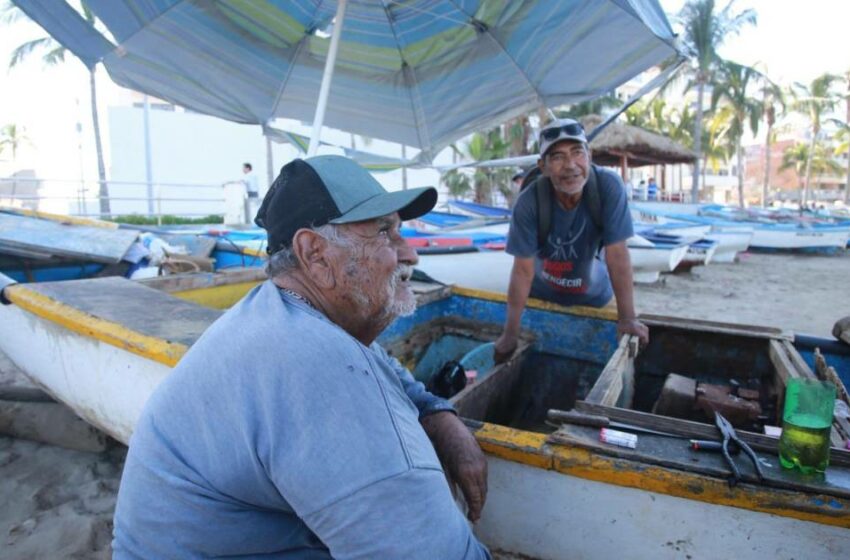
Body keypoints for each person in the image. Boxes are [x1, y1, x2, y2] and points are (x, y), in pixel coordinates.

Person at [113, 156, 491, 559]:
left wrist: (439, 416)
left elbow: (386, 367)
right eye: (384, 232)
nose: (410, 254)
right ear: (314, 254)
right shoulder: (317, 366)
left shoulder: (282, 316)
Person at [494, 119, 649, 362]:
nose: (570, 166)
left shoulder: (608, 187)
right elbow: (522, 271)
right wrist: (509, 334)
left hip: (597, 299)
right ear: (542, 166)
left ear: (590, 156)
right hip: (540, 300)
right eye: (557, 157)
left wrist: (627, 318)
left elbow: (617, 255)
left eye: (577, 153)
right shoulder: (529, 201)